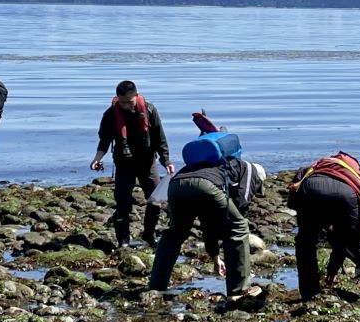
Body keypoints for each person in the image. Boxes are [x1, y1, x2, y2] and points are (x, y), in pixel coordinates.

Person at [148, 111, 260, 298]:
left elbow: (208, 220)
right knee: (239, 228)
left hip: (177, 185)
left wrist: (216, 256)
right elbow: (242, 201)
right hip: (205, 186)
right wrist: (232, 222)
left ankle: (156, 287)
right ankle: (239, 290)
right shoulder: (246, 167)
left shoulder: (199, 164)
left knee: (175, 234)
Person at [290, 152, 360, 301]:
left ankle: (309, 292)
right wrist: (332, 270)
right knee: (357, 243)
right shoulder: (350, 172)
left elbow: (293, 201)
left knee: (305, 243)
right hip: (346, 194)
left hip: (310, 190)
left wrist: (311, 223)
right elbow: (341, 241)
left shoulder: (308, 170)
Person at [91, 80, 171, 247]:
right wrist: (97, 158)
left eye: (129, 102)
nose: (126, 106)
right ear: (117, 99)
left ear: (136, 95)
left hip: (147, 162)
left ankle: (148, 235)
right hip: (123, 163)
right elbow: (104, 141)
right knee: (123, 202)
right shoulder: (110, 114)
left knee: (156, 200)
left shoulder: (150, 110)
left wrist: (166, 161)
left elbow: (160, 140)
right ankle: (123, 242)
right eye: (122, 102)